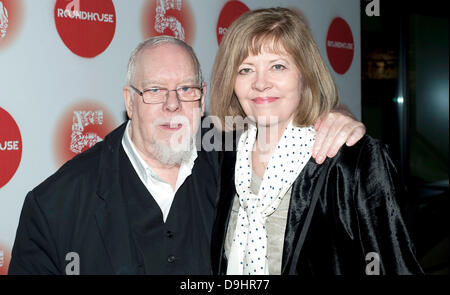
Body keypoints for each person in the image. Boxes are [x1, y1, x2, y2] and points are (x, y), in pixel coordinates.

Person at [9, 35, 364, 275]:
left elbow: (290, 129)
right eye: (154, 90)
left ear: (203, 96)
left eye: (186, 89)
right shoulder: (55, 205)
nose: (173, 104)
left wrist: (335, 119)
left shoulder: (236, 160)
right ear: (129, 101)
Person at [209, 8, 423, 275]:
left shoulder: (354, 161)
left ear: (305, 74)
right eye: (245, 69)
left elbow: (396, 266)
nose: (260, 83)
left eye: (278, 66)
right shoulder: (226, 157)